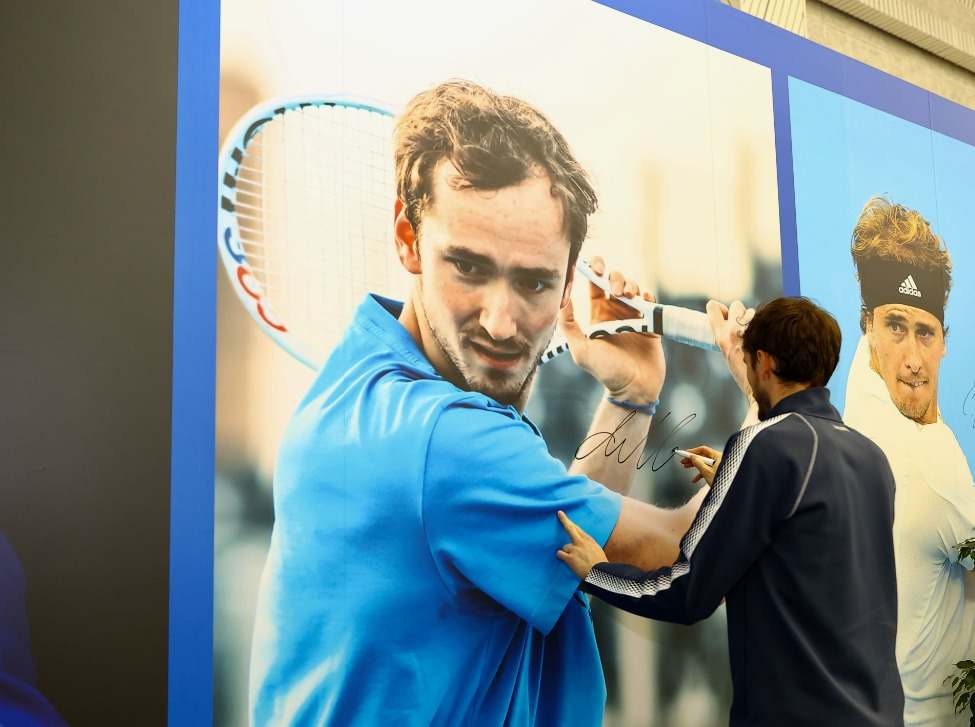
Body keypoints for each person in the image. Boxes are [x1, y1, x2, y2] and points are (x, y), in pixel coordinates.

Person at [248, 79, 737, 725]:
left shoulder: (357, 387)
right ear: (406, 236)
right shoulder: (445, 439)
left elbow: (566, 548)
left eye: (534, 280)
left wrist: (630, 397)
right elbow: (674, 547)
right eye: (469, 267)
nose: (502, 322)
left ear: (568, 282)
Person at [557, 296, 905, 726]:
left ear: (762, 361)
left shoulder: (765, 446)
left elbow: (686, 593)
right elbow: (811, 548)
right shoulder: (871, 456)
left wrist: (597, 572)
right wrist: (737, 483)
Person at [843, 196, 975, 726]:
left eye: (926, 332)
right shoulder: (932, 464)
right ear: (867, 326)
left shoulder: (856, 395)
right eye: (896, 327)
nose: (914, 359)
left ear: (945, 341)